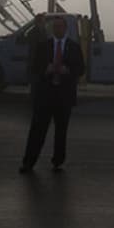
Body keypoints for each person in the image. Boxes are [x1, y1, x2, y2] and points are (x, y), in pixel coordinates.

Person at [20, 14, 85, 174]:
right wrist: (44, 70)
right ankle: (28, 162)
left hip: (64, 96)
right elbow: (34, 67)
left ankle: (58, 161)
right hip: (45, 96)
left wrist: (68, 71)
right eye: (55, 27)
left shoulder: (74, 47)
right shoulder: (43, 46)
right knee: (37, 130)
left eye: (60, 27)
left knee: (61, 132)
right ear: (52, 29)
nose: (57, 29)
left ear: (66, 29)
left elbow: (81, 68)